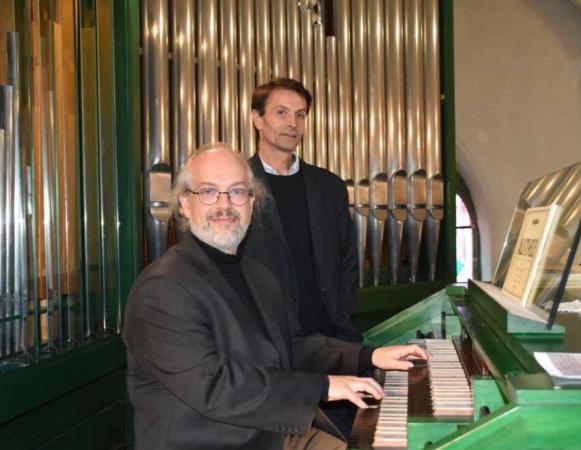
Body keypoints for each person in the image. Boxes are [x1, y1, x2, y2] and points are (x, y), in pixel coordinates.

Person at [122, 144, 428, 450]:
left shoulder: (257, 274)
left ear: (252, 202)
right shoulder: (162, 289)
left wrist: (368, 356)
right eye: (209, 192)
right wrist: (322, 386)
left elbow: (290, 346)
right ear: (185, 204)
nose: (225, 204)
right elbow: (214, 386)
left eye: (238, 192)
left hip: (270, 430)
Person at [243, 78, 360, 344]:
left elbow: (347, 264)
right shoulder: (238, 186)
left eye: (300, 115)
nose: (292, 124)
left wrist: (344, 326)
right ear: (257, 119)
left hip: (330, 337)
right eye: (281, 113)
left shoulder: (329, 186)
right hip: (266, 343)